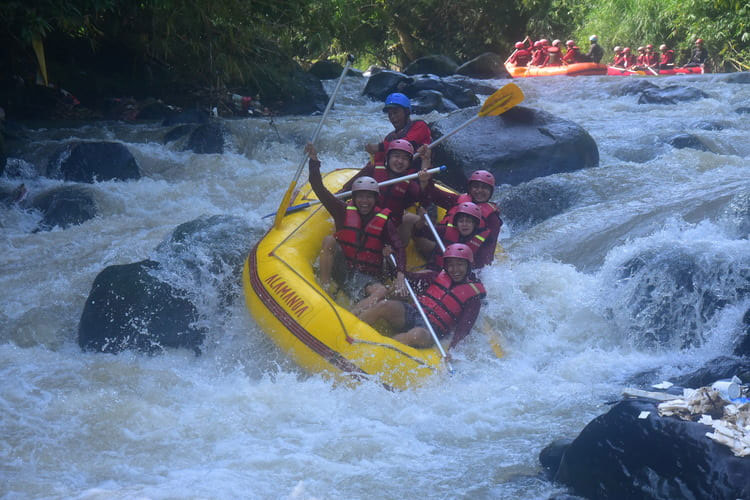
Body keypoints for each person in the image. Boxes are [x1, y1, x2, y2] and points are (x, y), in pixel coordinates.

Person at [306, 143, 407, 314]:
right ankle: (324, 289)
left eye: (369, 197)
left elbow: (399, 247)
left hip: (365, 277)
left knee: (382, 291)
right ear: (354, 198)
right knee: (329, 240)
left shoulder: (384, 221)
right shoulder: (342, 210)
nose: (364, 201)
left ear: (376, 199)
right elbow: (318, 187)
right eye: (360, 197)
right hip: (342, 266)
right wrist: (314, 160)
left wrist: (400, 274)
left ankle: (351, 316)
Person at [358, 243, 486, 350]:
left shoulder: (473, 297)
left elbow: (464, 328)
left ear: (468, 266)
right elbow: (410, 278)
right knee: (384, 305)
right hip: (414, 312)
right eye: (451, 265)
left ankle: (378, 349)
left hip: (432, 330)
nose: (455, 269)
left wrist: (452, 349)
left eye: (460, 265)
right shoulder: (436, 276)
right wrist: (392, 259)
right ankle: (354, 329)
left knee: (416, 335)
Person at [342, 139, 430, 243]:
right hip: (363, 221)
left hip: (387, 229)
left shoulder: (410, 185)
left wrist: (424, 181)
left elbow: (423, 204)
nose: (400, 161)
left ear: (409, 163)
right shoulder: (372, 170)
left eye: (405, 158)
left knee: (411, 223)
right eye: (396, 156)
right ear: (388, 157)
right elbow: (347, 190)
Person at [421, 169, 502, 270]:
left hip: (463, 265)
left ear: (490, 192)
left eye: (484, 188)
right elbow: (434, 194)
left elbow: (488, 249)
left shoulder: (492, 220)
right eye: (476, 186)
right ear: (470, 188)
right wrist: (426, 180)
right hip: (441, 249)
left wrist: (474, 272)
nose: (479, 191)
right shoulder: (457, 200)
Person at [414, 201, 494, 271]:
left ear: (475, 224)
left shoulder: (482, 241)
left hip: (461, 276)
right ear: (456, 223)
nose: (464, 225)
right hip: (438, 270)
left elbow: (481, 267)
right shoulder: (446, 230)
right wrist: (421, 219)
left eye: (469, 222)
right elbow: (422, 231)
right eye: (461, 221)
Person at [364, 93, 431, 166]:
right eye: (390, 114)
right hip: (398, 174)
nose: (392, 117)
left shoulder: (420, 125)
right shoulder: (390, 137)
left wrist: (379, 147)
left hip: (419, 173)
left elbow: (405, 144)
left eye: (395, 113)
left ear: (407, 112)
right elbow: (379, 160)